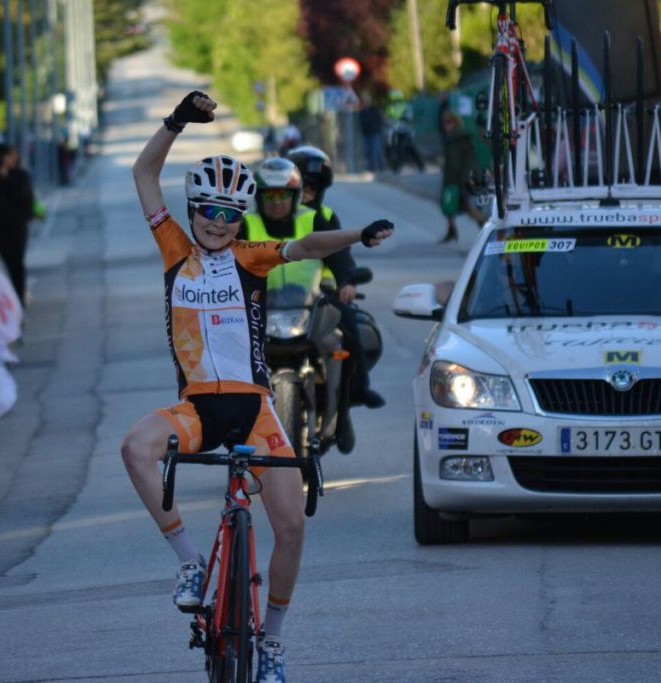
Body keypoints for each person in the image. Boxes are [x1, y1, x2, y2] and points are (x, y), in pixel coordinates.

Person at [121, 91, 393, 683]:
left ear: (240, 217)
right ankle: (191, 564)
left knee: (292, 526)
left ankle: (270, 640)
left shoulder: (252, 257)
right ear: (191, 211)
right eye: (207, 212)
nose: (217, 223)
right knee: (134, 447)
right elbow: (144, 173)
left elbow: (309, 246)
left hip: (255, 412)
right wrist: (176, 122)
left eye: (228, 214)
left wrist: (355, 236)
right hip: (196, 410)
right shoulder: (174, 250)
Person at [285, 146, 388, 442]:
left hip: (322, 296)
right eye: (303, 186)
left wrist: (346, 282)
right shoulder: (267, 216)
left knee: (351, 333)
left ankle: (347, 406)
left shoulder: (325, 215)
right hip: (275, 301)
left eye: (314, 187)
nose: (308, 192)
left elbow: (340, 255)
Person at [0, 142, 33, 304]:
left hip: (16, 227)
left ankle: (19, 299)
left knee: (16, 264)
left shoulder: (20, 175)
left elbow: (20, 196)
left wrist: (5, 177)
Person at [440, 112, 487, 243]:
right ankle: (452, 231)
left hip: (463, 179)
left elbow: (455, 162)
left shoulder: (457, 139)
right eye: (445, 122)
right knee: (452, 207)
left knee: (468, 207)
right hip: (463, 177)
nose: (446, 125)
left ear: (455, 122)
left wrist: (453, 181)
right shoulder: (455, 137)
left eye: (449, 122)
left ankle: (488, 228)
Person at [358, 93, 385, 175]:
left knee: (375, 151)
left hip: (374, 133)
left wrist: (378, 128)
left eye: (367, 100)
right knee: (367, 151)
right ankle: (371, 167)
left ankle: (377, 167)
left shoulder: (375, 109)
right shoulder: (362, 111)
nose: (366, 102)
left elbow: (380, 120)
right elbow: (361, 123)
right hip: (366, 134)